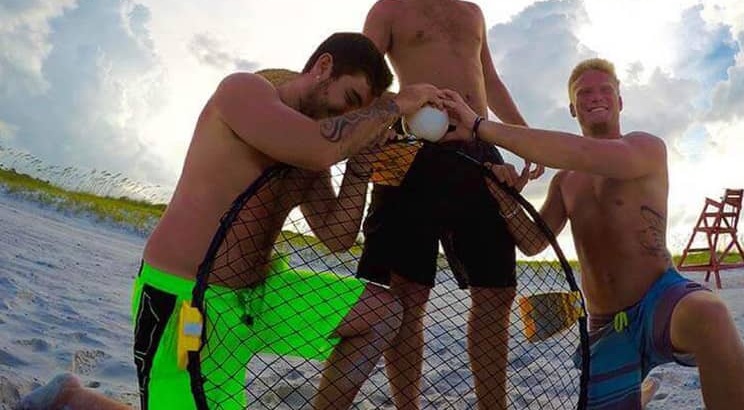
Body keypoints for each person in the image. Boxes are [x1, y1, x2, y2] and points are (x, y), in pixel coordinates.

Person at [20, 33, 442, 410]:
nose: (349, 119)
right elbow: (317, 148)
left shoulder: (314, 143)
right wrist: (391, 107)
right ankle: (71, 398)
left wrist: (361, 164)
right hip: (184, 296)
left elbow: (336, 236)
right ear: (324, 68)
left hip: (256, 299)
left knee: (382, 312)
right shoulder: (245, 92)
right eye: (350, 102)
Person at [439, 58, 744, 410]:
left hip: (660, 298)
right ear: (573, 109)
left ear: (620, 102)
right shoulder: (564, 181)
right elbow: (533, 243)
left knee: (710, 315)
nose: (596, 97)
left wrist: (481, 126)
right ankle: (636, 389)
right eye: (584, 93)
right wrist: (505, 198)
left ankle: (640, 384)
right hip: (606, 324)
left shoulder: (646, 148)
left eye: (606, 90)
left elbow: (582, 152)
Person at [356, 0, 541, 410]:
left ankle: (491, 407)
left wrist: (519, 138)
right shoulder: (389, 9)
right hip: (404, 151)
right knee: (405, 294)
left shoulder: (473, 14)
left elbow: (492, 82)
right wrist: (406, 101)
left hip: (477, 151)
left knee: (497, 291)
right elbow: (362, 80)